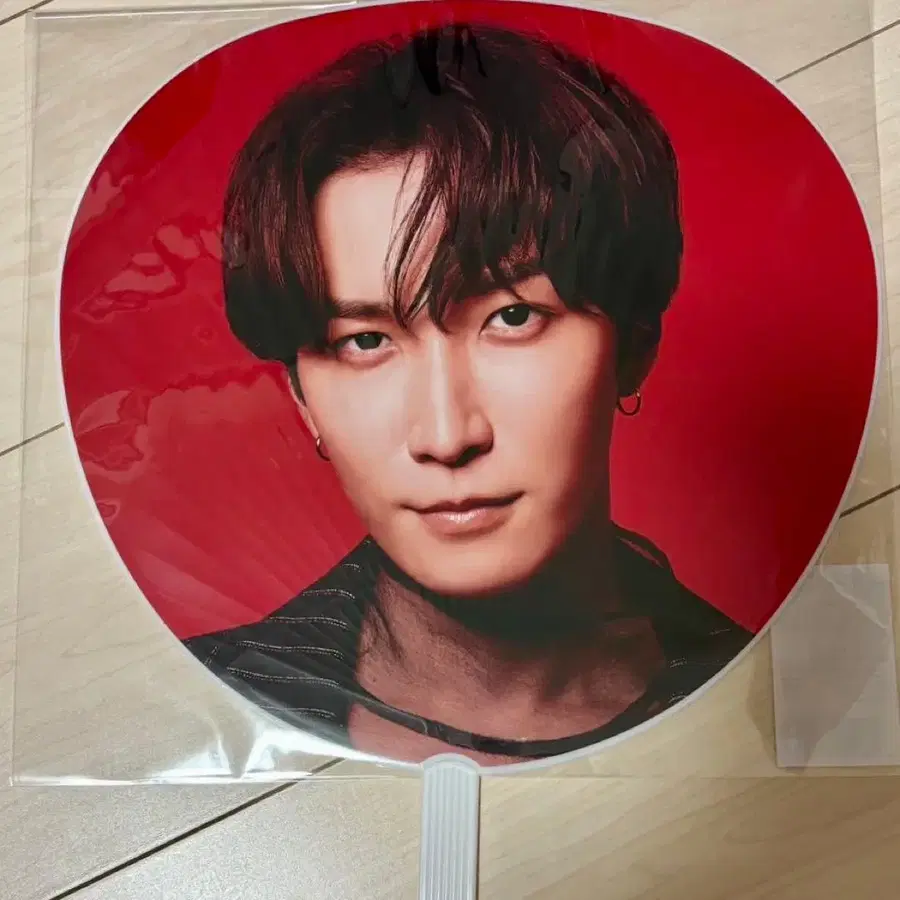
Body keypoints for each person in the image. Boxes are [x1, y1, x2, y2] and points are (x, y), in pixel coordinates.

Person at [184, 22, 752, 764]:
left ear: (634, 345)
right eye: (365, 341)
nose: (447, 435)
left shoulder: (769, 701)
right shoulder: (192, 705)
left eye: (512, 318)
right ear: (301, 399)